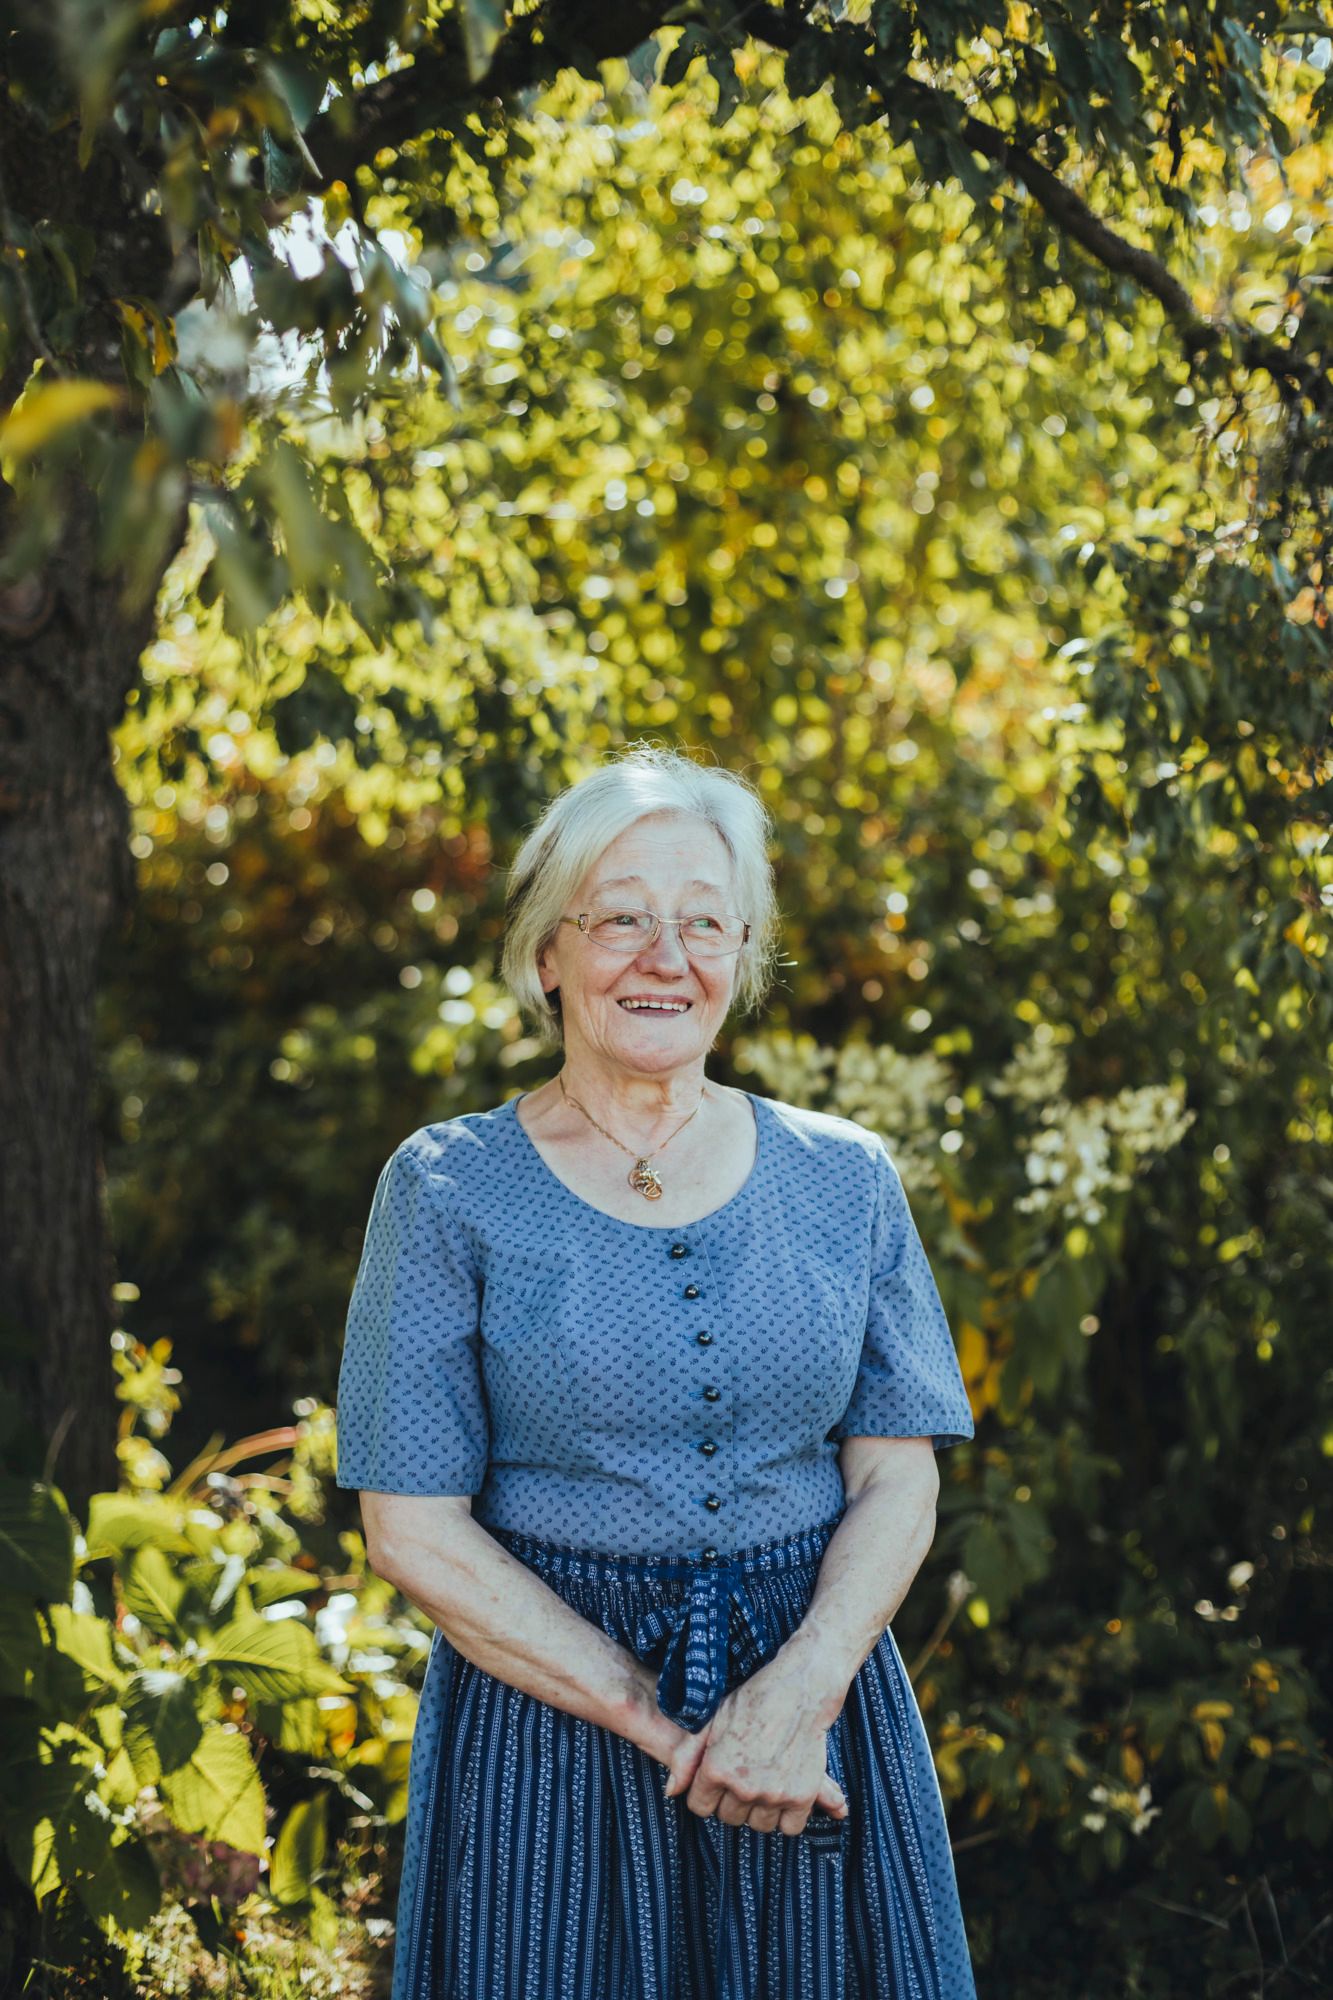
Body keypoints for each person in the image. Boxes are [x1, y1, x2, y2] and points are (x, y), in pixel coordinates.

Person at [334, 744, 978, 2000]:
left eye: (703, 922)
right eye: (621, 916)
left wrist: (793, 1698)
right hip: (549, 1732)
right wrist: (667, 1728)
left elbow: (897, 1477)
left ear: (740, 958)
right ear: (547, 955)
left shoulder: (845, 1175)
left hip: (815, 1721)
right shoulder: (447, 1186)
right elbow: (411, 1529)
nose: (663, 955)